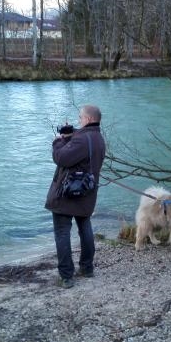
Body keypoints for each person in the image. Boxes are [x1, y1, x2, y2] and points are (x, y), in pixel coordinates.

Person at [45, 105, 106, 288]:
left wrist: (58, 141)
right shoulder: (98, 138)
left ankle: (67, 276)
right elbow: (80, 152)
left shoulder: (82, 139)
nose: (79, 120)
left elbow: (61, 158)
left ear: (87, 119)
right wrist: (69, 135)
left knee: (62, 232)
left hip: (68, 194)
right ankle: (87, 268)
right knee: (85, 228)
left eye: (80, 117)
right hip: (87, 193)